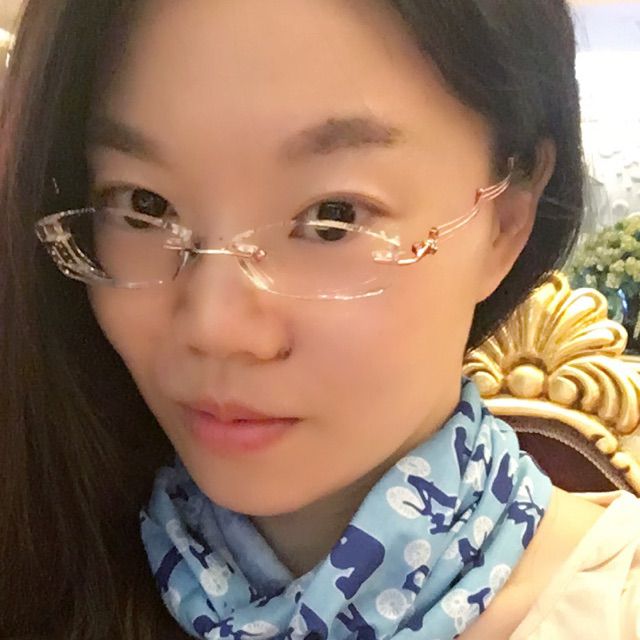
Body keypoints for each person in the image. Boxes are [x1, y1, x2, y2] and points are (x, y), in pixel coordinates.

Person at [1, 1, 638, 639]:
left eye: (334, 216)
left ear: (506, 221)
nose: (215, 327)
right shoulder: (43, 555)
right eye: (144, 205)